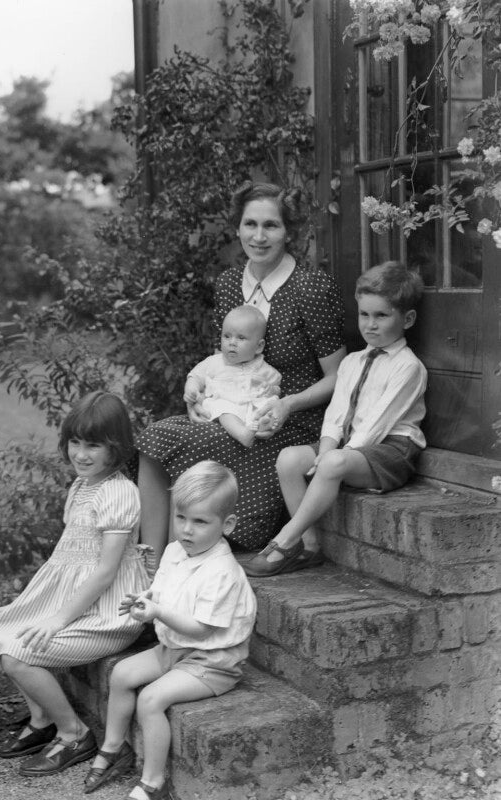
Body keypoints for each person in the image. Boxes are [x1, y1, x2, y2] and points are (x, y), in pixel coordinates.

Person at [137, 181, 346, 562]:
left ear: (289, 231)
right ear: (237, 228)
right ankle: (152, 560)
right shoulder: (229, 285)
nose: (259, 236)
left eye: (271, 226)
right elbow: (222, 361)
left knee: (194, 444)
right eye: (250, 224)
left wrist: (288, 405)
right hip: (229, 409)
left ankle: (178, 563)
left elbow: (339, 376)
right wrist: (197, 401)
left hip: (287, 423)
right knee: (155, 438)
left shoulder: (310, 287)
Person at [0, 392, 150, 777]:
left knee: (17, 655)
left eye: (94, 445)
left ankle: (74, 733)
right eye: (75, 442)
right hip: (81, 597)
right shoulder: (81, 486)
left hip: (110, 611)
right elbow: (69, 559)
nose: (81, 454)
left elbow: (105, 571)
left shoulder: (119, 492)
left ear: (117, 447)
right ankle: (42, 719)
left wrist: (57, 620)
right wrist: (33, 605)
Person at [83, 461, 257, 800]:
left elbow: (201, 630)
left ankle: (153, 781)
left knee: (150, 699)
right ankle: (114, 746)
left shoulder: (222, 570)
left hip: (212, 661)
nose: (187, 530)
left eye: (200, 521)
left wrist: (157, 612)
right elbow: (162, 590)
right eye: (181, 518)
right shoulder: (177, 551)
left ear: (228, 523)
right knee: (121, 673)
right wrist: (145, 599)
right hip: (175, 648)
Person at [244, 261, 427, 577]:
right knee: (289, 459)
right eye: (364, 315)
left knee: (331, 464)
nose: (370, 324)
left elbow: (377, 425)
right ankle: (309, 544)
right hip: (351, 445)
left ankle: (285, 539)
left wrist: (337, 456)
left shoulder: (408, 367)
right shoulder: (353, 362)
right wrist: (327, 448)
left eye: (381, 315)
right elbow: (337, 414)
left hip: (392, 450)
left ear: (407, 319)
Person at [184, 305, 281, 448]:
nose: (232, 342)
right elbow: (195, 377)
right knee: (225, 411)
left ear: (259, 346)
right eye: (227, 336)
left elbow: (276, 387)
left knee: (266, 406)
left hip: (251, 407)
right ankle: (243, 435)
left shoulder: (264, 368)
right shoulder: (214, 362)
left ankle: (262, 424)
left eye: (241, 338)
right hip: (225, 406)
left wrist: (272, 391)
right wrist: (191, 390)